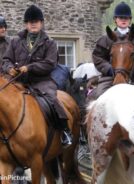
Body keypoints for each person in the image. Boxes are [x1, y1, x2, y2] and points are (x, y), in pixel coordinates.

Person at [2, 5, 72, 146]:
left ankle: (65, 132)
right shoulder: (16, 41)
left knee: (53, 100)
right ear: (26, 24)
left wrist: (29, 67)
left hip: (42, 81)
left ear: (41, 23)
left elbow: (50, 63)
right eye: (30, 21)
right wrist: (9, 69)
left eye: (36, 21)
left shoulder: (50, 43)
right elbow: (6, 60)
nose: (33, 24)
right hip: (18, 81)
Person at [92, 1, 134, 97]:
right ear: (115, 19)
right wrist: (109, 69)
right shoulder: (105, 39)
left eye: (126, 18)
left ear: (130, 19)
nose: (123, 20)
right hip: (111, 77)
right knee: (99, 96)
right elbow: (97, 57)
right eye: (121, 17)